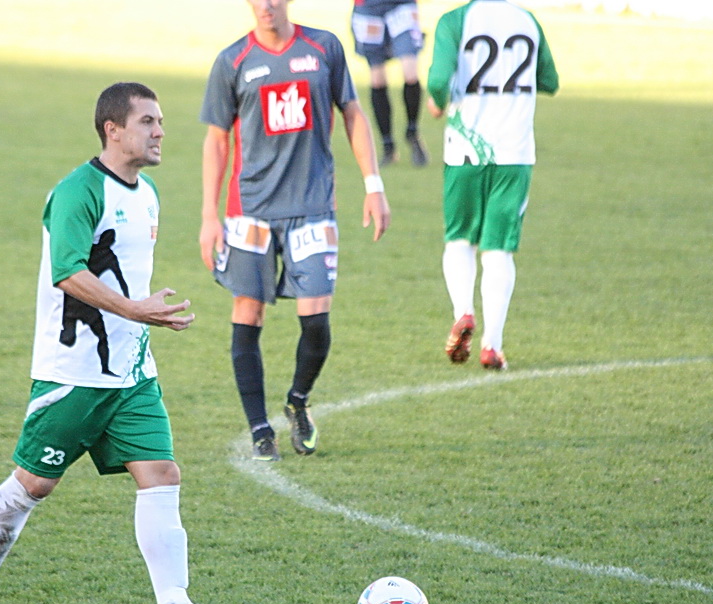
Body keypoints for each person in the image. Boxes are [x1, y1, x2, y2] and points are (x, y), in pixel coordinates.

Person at [0, 82, 256, 604]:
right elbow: (68, 272)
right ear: (113, 129)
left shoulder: (149, 193)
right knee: (33, 485)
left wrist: (141, 321)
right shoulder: (77, 192)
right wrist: (138, 310)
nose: (160, 131)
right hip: (73, 374)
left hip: (132, 375)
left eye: (160, 121)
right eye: (148, 121)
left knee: (162, 474)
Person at [199, 0, 391, 461]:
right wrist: (209, 215)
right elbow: (217, 140)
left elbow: (353, 113)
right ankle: (260, 429)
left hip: (312, 206)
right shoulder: (233, 60)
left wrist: (373, 185)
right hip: (250, 210)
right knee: (248, 317)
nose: (266, 5)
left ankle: (297, 401)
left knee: (317, 320)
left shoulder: (323, 47)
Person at [426, 0, 558, 370]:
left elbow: (438, 81)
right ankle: (492, 346)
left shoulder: (455, 21)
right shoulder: (527, 21)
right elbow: (550, 81)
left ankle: (463, 312)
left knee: (459, 239)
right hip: (513, 154)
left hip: (465, 151)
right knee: (499, 249)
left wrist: (439, 101)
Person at [350, 0, 430, 167]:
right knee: (377, 78)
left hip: (402, 6)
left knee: (410, 72)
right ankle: (388, 145)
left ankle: (412, 132)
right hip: (368, 8)